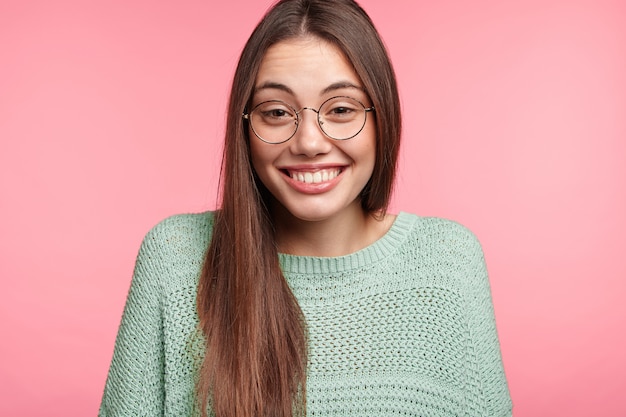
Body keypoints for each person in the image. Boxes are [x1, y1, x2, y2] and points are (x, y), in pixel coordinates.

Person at [99, 0, 512, 416]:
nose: (310, 143)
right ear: (245, 126)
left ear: (382, 116)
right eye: (277, 112)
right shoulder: (175, 260)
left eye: (342, 109)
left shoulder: (448, 262)